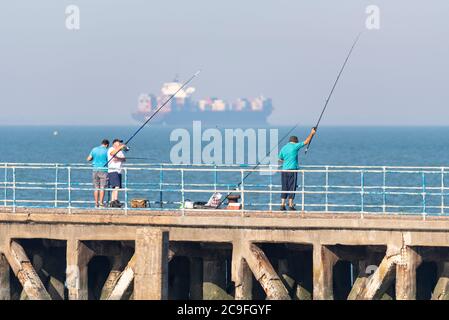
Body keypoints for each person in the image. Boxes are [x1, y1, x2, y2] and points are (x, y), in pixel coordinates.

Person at [278, 128, 316, 211]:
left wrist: (287, 160)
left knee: (284, 187)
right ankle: (291, 204)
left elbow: (280, 159)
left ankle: (282, 204)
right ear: (295, 141)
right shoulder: (295, 146)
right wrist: (312, 133)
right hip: (292, 170)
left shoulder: (284, 148)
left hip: (284, 170)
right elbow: (306, 142)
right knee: (292, 187)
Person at [87, 139, 109, 208]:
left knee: (96, 187)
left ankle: (96, 203)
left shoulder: (94, 149)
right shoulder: (107, 150)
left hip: (95, 170)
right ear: (107, 145)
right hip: (104, 170)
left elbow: (88, 159)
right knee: (102, 187)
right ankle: (101, 203)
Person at [108, 139, 127, 207]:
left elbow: (124, 159)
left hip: (119, 170)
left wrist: (118, 158)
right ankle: (115, 201)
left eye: (120, 144)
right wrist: (120, 148)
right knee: (116, 186)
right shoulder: (111, 149)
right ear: (114, 144)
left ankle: (112, 201)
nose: (119, 144)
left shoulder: (120, 151)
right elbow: (112, 154)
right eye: (118, 143)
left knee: (115, 187)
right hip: (113, 170)